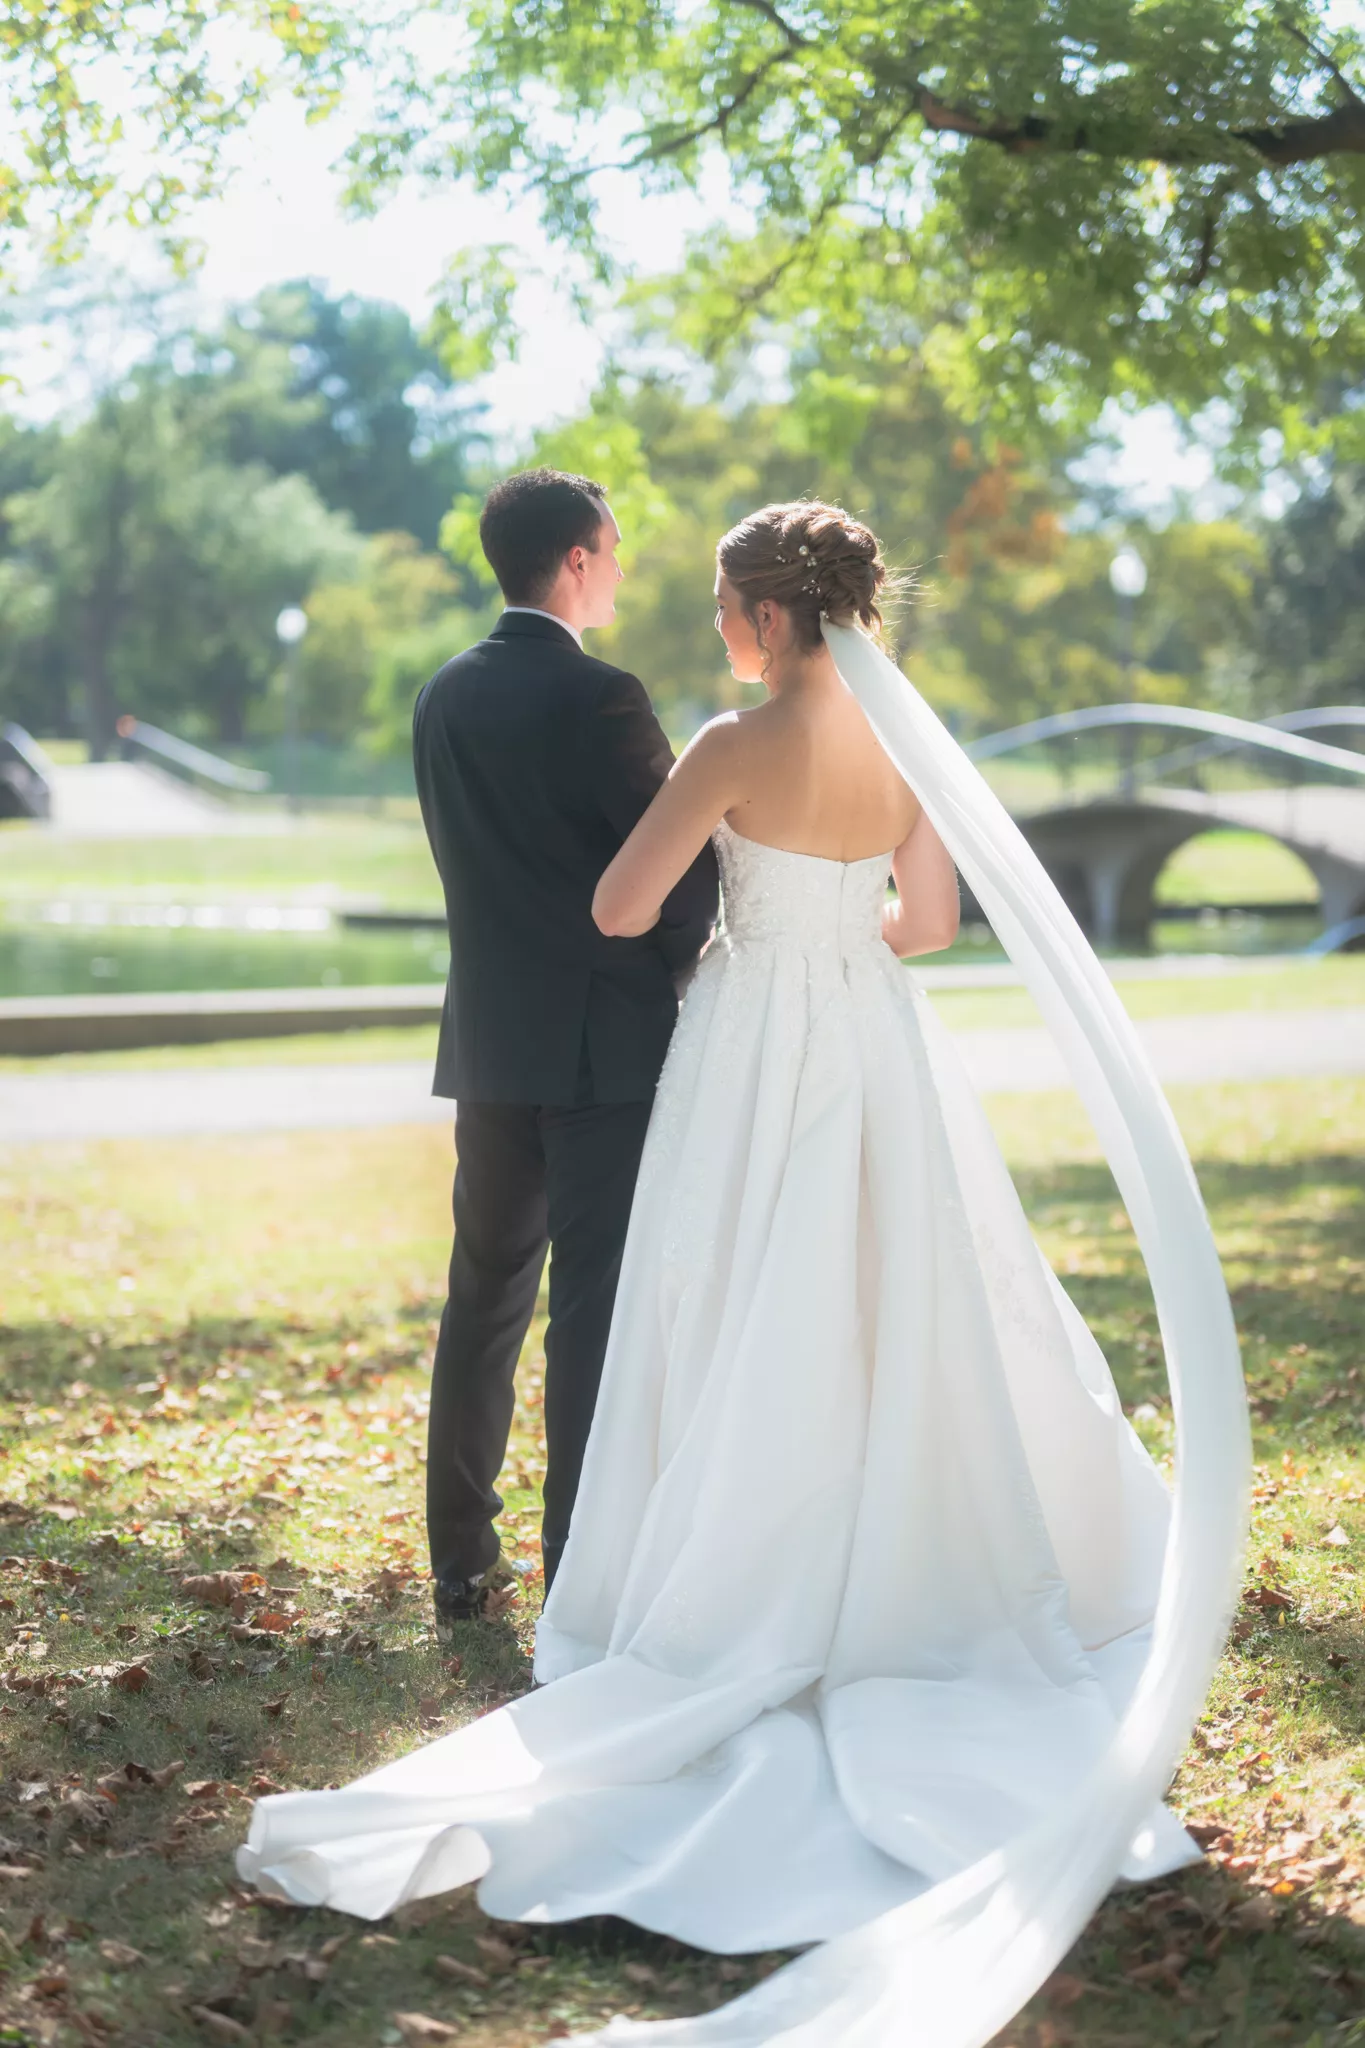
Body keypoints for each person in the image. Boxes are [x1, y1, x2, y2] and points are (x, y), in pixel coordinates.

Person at [241, 500, 1246, 2048]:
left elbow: (622, 906)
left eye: (721, 604)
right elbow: (926, 925)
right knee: (893, 1293)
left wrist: (745, 912)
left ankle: (709, 1559)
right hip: (870, 1040)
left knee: (720, 1300)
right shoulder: (907, 744)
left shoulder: (724, 740)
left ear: (768, 617)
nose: (710, 627)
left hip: (744, 1045)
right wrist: (830, 920)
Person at [411, 468, 718, 1631]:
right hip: (604, 1046)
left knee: (482, 1297)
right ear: (577, 560)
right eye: (617, 547)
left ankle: (459, 1564)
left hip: (488, 1040)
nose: (625, 566)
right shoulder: (601, 697)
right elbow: (678, 871)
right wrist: (701, 950)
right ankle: (572, 1568)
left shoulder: (443, 694)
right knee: (591, 1304)